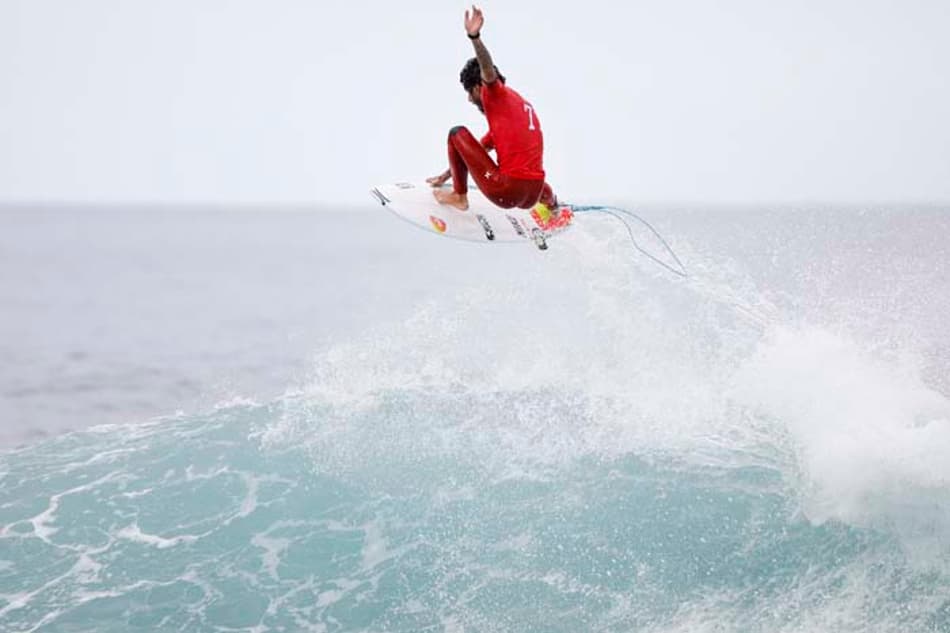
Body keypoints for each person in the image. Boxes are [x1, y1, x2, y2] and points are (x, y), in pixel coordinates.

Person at [428, 5, 563, 228]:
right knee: (529, 170)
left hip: (507, 191)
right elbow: (473, 154)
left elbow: (487, 70)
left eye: (469, 92)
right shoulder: (517, 107)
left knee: (456, 133)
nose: (470, 100)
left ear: (479, 86)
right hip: (535, 193)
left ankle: (459, 197)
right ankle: (554, 207)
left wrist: (475, 37)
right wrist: (445, 176)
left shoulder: (493, 92)